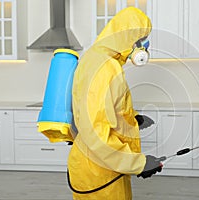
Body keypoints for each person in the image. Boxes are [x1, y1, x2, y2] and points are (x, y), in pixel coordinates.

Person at [67, 7, 162, 200]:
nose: (145, 46)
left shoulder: (97, 58)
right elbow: (97, 134)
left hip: (98, 168)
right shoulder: (105, 69)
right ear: (131, 39)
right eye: (143, 39)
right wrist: (138, 163)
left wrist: (132, 120)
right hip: (99, 174)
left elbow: (103, 109)